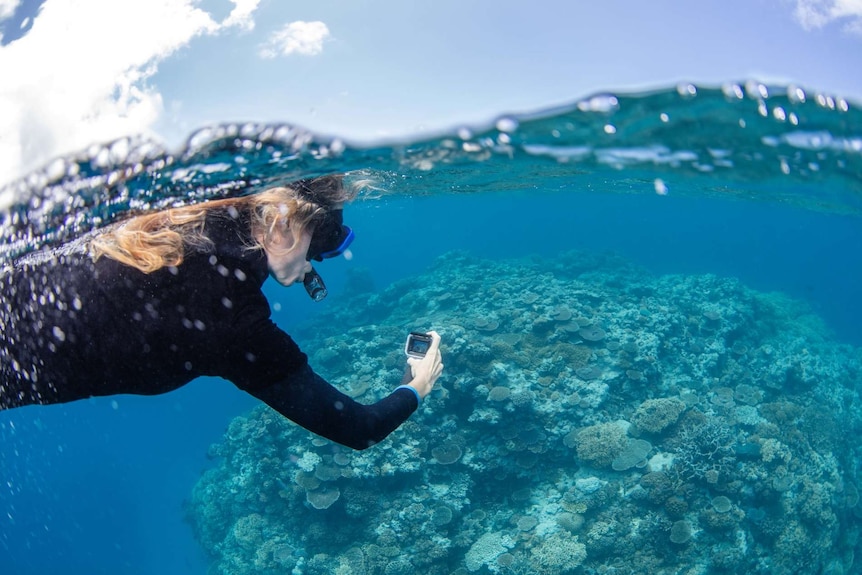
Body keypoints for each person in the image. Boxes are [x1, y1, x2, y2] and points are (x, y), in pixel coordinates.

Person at [0, 175, 444, 450]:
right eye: (325, 240)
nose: (319, 261)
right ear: (284, 224)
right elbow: (360, 428)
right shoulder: (230, 317)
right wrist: (417, 385)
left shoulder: (177, 216)